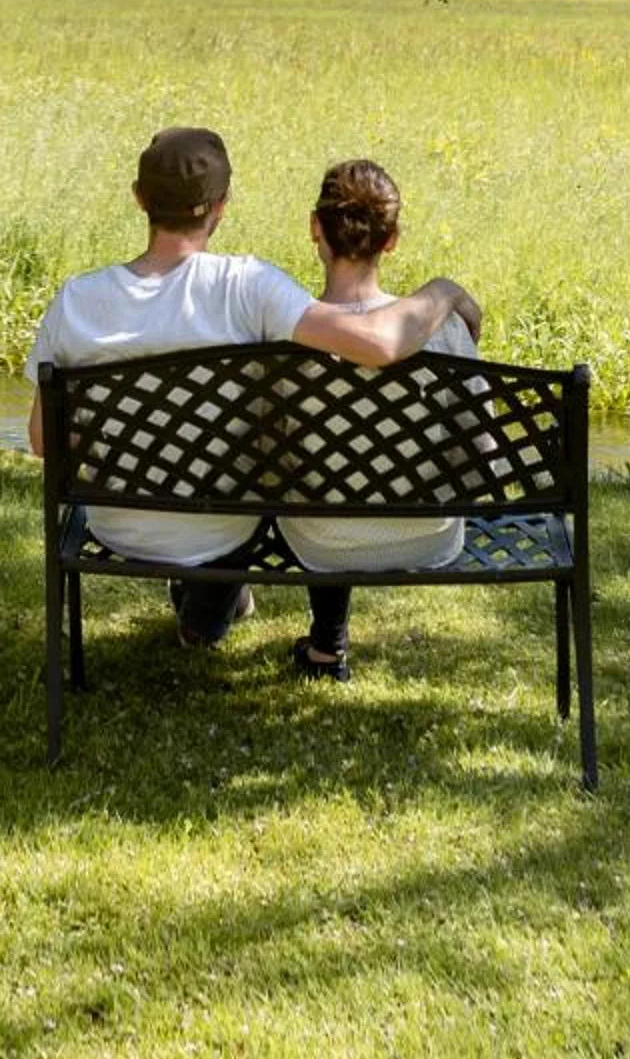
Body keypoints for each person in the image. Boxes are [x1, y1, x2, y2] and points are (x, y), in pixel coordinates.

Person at [25, 127, 481, 672]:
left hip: (119, 521)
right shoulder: (247, 286)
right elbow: (378, 342)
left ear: (140, 198)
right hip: (225, 525)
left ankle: (208, 614)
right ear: (222, 206)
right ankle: (237, 617)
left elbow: (40, 442)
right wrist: (445, 292)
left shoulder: (77, 300)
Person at [277, 157, 476, 682]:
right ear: (392, 240)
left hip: (318, 537)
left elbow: (271, 456)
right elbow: (473, 452)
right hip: (427, 534)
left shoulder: (287, 341)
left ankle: (325, 648)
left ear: (315, 228)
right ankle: (326, 645)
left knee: (320, 486)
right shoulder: (445, 333)